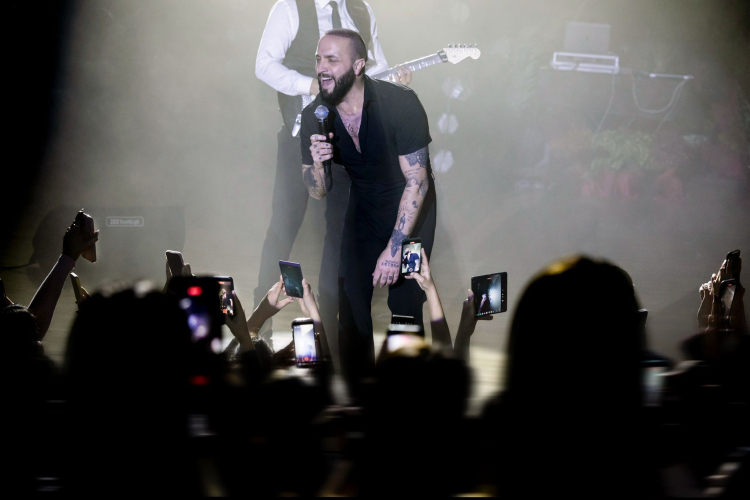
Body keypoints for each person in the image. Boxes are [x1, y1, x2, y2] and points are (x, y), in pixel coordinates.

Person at [254, 0, 411, 352]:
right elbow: (264, 65)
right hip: (302, 132)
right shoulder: (291, 8)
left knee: (340, 232)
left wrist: (394, 82)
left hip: (350, 139)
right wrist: (312, 86)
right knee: (283, 227)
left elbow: (375, 68)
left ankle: (332, 328)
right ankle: (258, 324)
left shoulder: (361, 9)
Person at [300, 29, 434, 390]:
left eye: (332, 59)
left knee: (406, 304)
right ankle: (359, 394)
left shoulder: (399, 102)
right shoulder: (315, 115)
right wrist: (318, 164)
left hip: (413, 209)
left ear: (359, 65)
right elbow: (317, 192)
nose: (322, 67)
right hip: (365, 206)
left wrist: (394, 249)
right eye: (318, 59)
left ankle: (406, 392)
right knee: (350, 300)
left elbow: (417, 181)